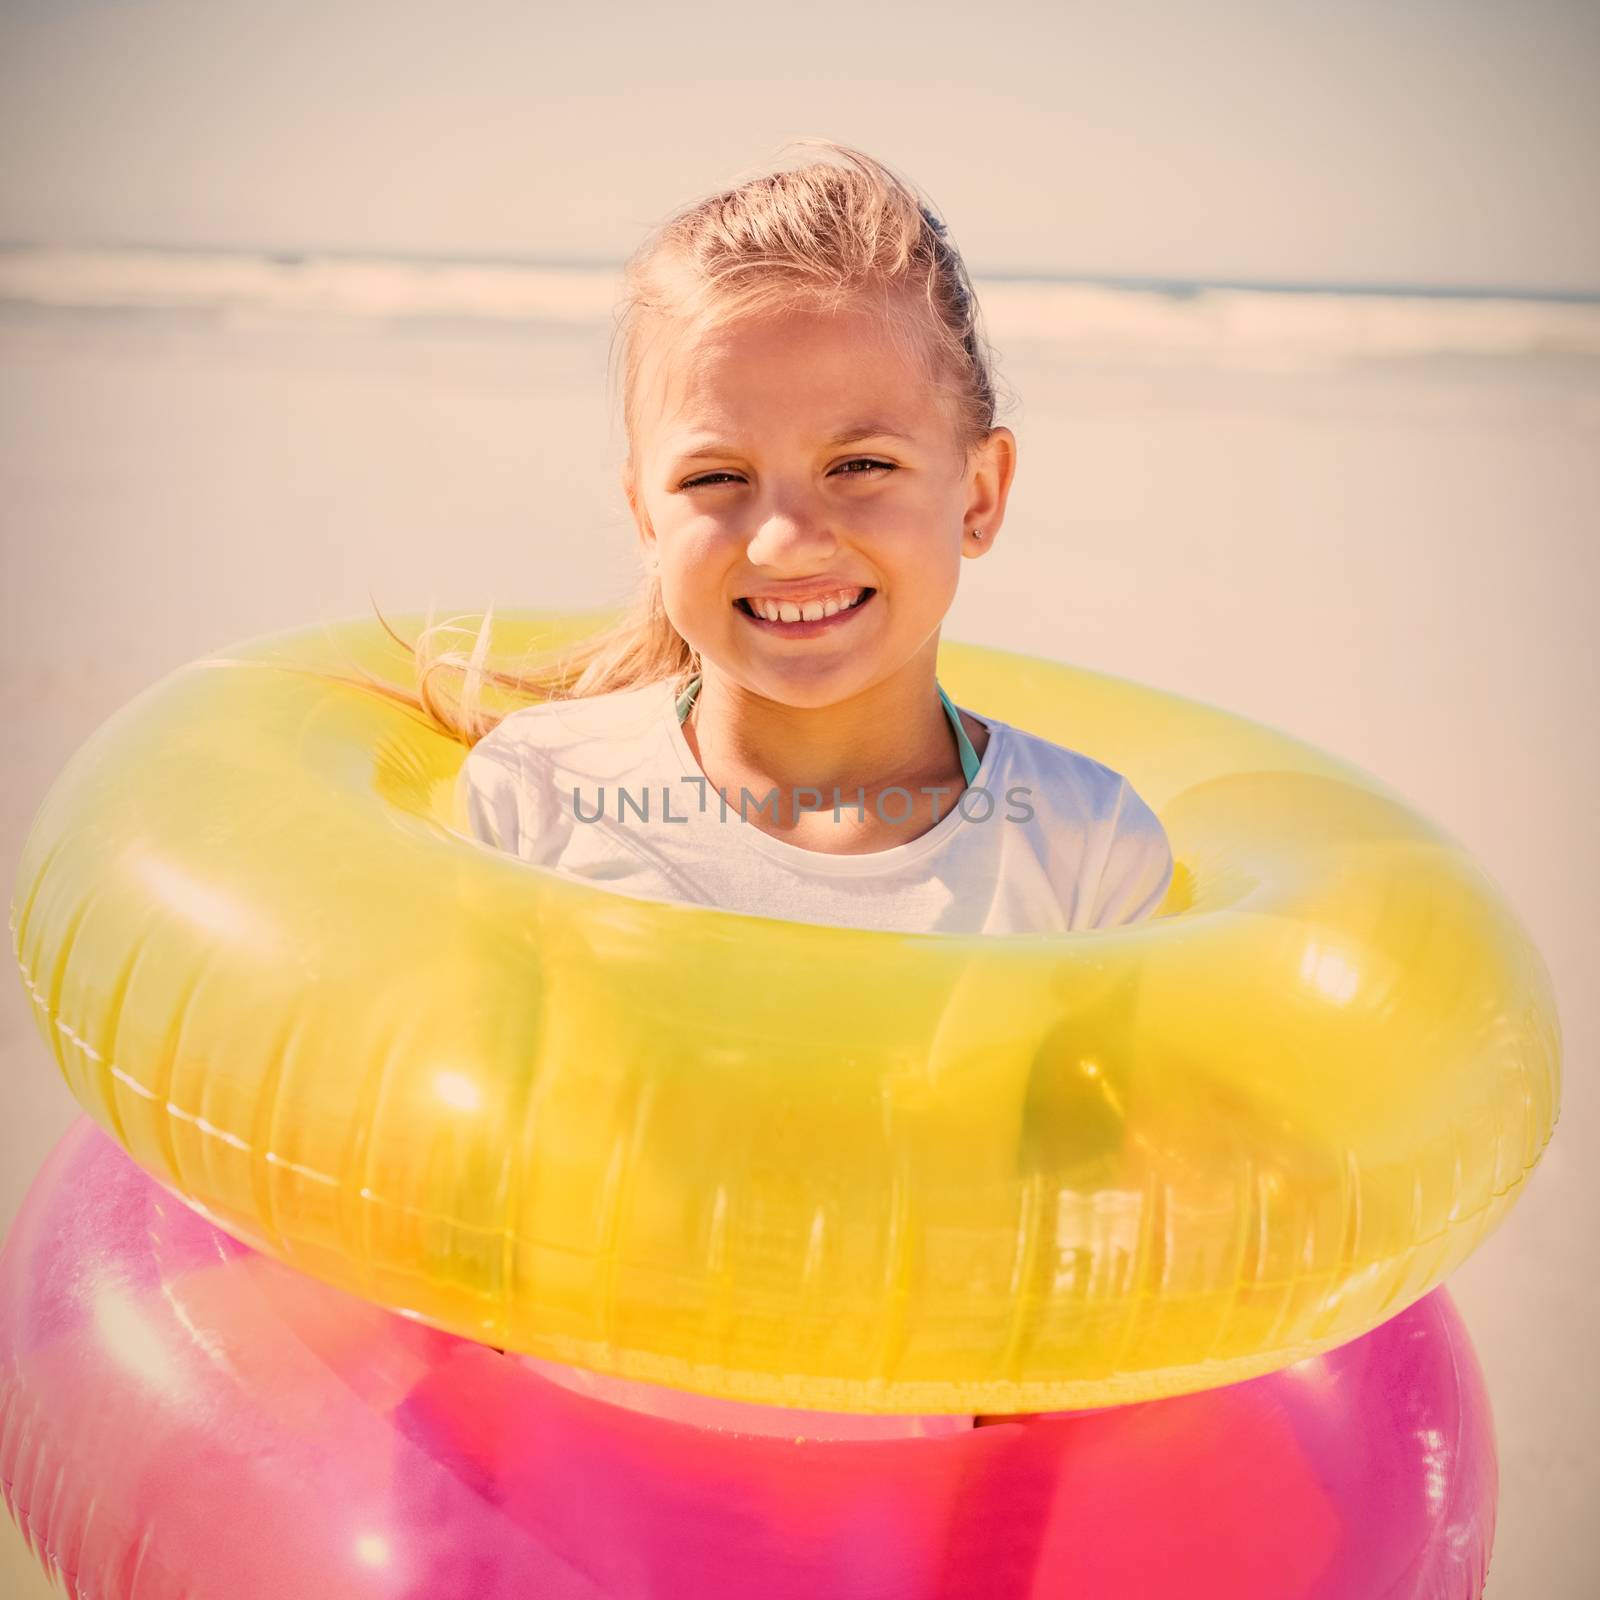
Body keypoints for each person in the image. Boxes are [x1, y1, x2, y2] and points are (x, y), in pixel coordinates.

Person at [402, 140, 1174, 1438]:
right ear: (646, 517)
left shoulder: (1084, 855)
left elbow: (1075, 1292)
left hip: (899, 1516)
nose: (785, 537)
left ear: (978, 493)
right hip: (586, 1508)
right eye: (716, 479)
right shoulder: (540, 799)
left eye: (860, 465)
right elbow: (461, 1218)